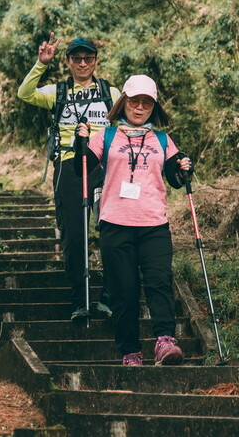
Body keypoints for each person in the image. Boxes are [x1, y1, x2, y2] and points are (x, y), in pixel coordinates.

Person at [75, 74, 192, 366]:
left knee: (159, 283)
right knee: (124, 293)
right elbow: (82, 169)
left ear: (154, 107)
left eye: (147, 103)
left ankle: (165, 342)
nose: (140, 108)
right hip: (115, 225)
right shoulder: (107, 136)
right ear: (123, 102)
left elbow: (177, 179)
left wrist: (185, 167)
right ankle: (130, 352)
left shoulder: (162, 140)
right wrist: (81, 142)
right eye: (135, 101)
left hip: (154, 225)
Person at [17, 33, 120, 322]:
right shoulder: (57, 91)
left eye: (88, 58)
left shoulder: (110, 92)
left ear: (96, 61)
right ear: (68, 61)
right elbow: (24, 93)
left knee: (112, 230)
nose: (83, 63)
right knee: (74, 236)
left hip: (104, 165)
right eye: (77, 58)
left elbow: (129, 121)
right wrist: (41, 63)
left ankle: (109, 296)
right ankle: (80, 299)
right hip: (68, 164)